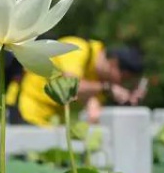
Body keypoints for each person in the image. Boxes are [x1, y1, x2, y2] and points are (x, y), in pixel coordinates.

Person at [15, 36, 145, 126]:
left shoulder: (97, 79)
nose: (119, 84)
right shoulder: (78, 49)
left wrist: (128, 103)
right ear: (113, 64)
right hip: (27, 112)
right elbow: (72, 85)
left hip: (53, 123)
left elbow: (92, 110)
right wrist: (108, 88)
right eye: (122, 79)